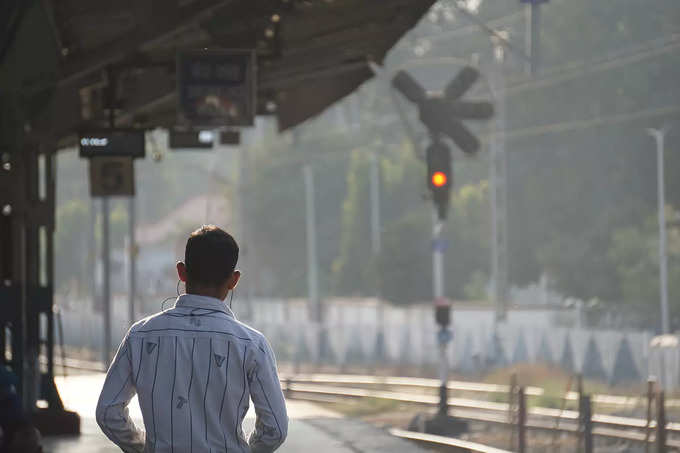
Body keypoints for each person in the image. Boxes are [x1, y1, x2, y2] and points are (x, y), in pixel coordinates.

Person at [96, 225, 288, 452]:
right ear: (234, 280)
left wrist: (143, 448)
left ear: (181, 272)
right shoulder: (252, 345)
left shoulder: (141, 335)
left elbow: (108, 412)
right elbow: (275, 428)